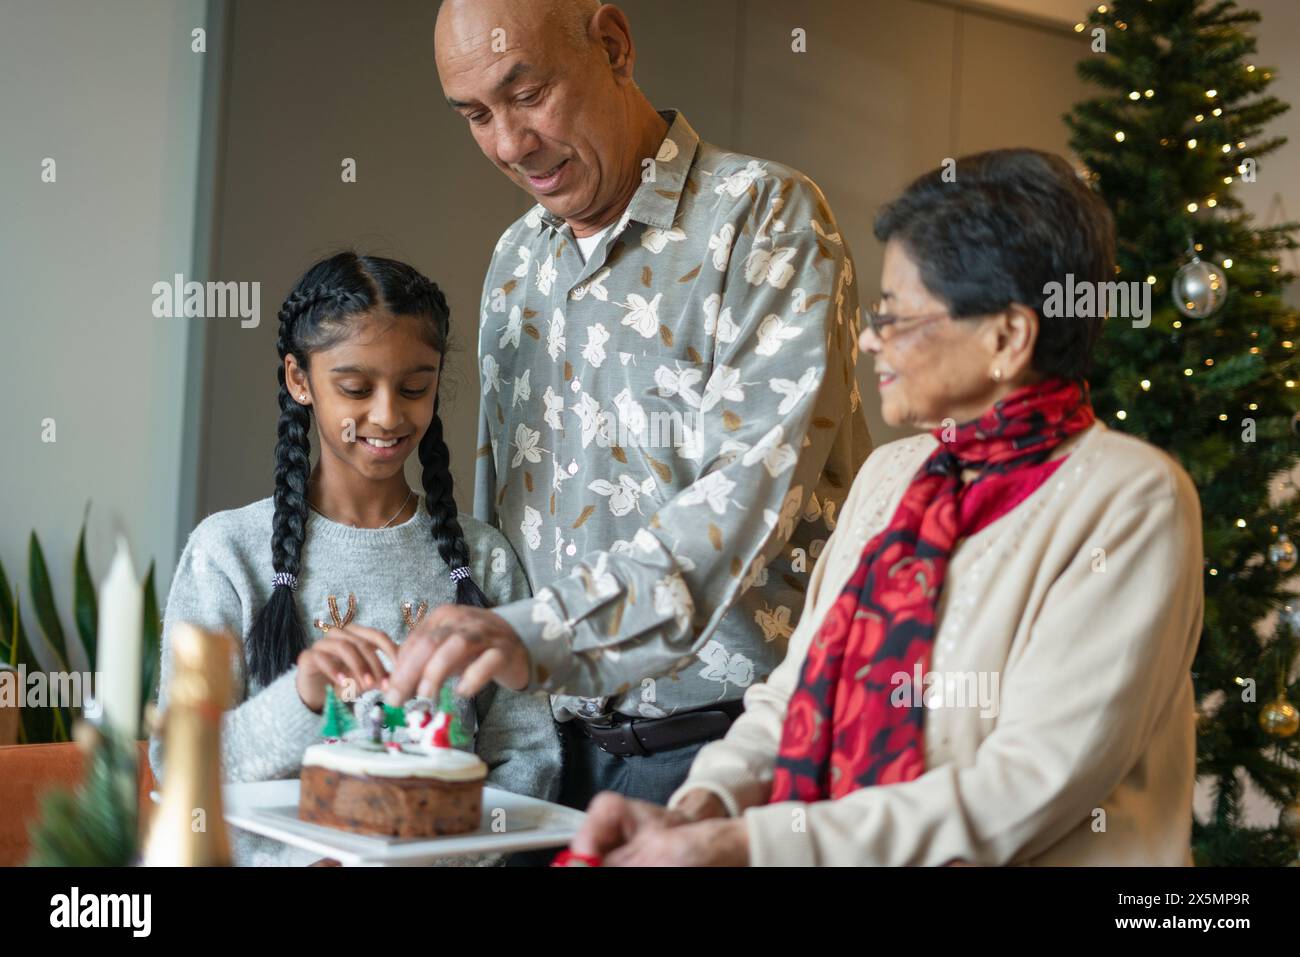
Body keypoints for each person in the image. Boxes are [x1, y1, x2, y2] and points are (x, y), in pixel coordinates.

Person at [567, 148, 1204, 865]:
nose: (871, 338)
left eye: (898, 317)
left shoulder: (1130, 497)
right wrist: (699, 806)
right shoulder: (890, 475)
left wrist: (750, 844)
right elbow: (794, 693)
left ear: (1008, 336)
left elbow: (1026, 786)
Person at [383, 0, 872, 816]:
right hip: (542, 756)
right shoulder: (516, 260)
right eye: (476, 115)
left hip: (725, 758)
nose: (509, 144)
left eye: (528, 94)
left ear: (613, 46)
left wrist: (539, 637)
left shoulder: (764, 221)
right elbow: (499, 519)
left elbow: (738, 515)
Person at [149, 252, 561, 866]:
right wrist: (305, 698)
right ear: (299, 380)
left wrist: (442, 858)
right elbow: (184, 766)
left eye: (415, 387)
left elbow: (526, 753)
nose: (389, 415)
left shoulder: (483, 559)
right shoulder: (227, 553)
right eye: (356, 388)